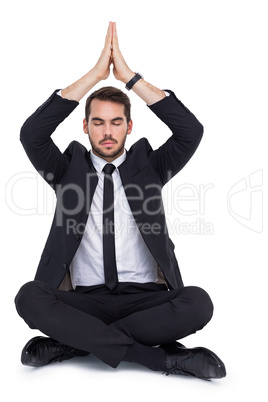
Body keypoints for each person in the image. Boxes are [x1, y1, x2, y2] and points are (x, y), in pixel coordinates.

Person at [15, 22, 226, 380]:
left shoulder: (153, 167)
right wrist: (94, 77)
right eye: (98, 122)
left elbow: (190, 131)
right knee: (29, 297)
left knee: (198, 302)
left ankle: (77, 344)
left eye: (116, 122)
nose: (107, 132)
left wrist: (129, 77)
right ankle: (161, 360)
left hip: (146, 300)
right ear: (85, 127)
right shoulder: (66, 171)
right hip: (86, 301)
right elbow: (32, 134)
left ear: (129, 126)